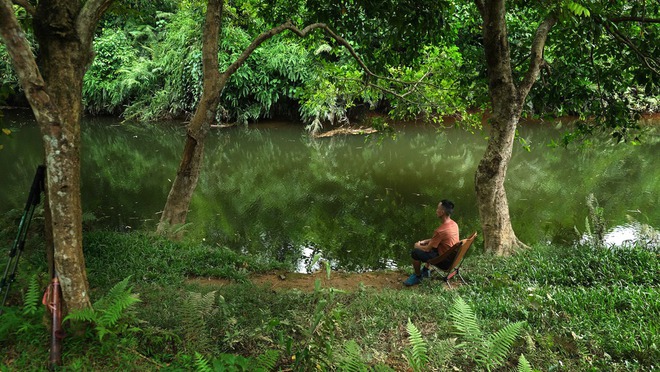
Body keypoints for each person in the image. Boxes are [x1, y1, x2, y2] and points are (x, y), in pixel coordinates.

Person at [403, 199, 459, 286]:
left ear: (442, 212)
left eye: (437, 209)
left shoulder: (440, 231)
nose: (436, 211)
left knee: (415, 253)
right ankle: (426, 270)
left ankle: (418, 276)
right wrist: (425, 241)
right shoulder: (454, 224)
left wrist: (417, 245)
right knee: (431, 246)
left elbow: (427, 249)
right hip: (452, 258)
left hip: (444, 262)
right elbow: (439, 239)